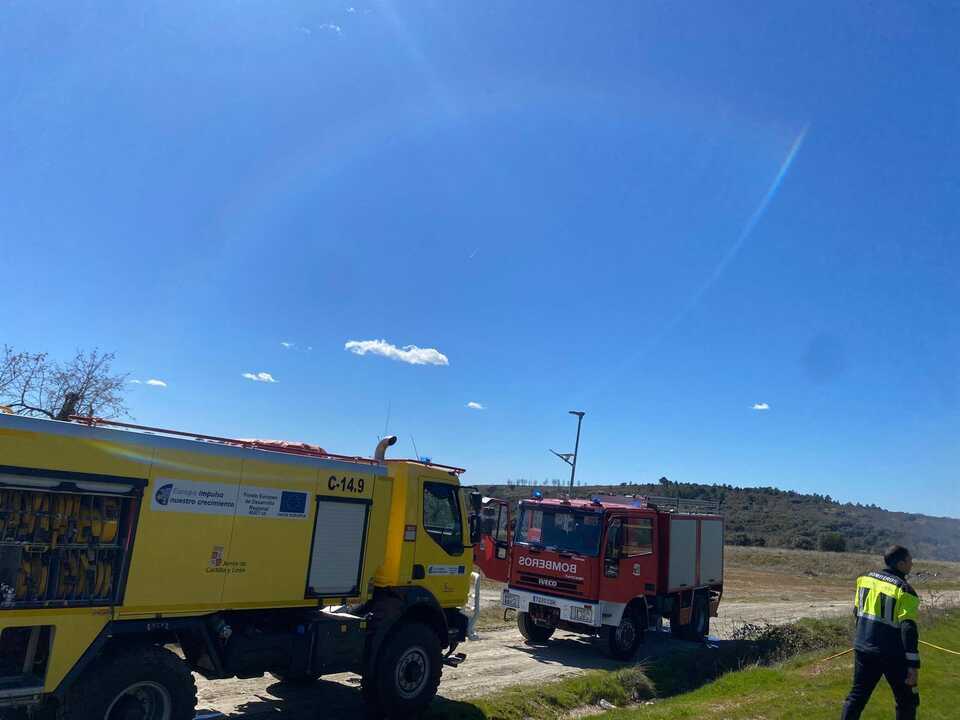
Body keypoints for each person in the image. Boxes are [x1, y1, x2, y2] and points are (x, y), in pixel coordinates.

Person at [841, 545, 920, 720]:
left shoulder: (864, 579)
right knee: (907, 700)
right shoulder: (905, 590)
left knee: (856, 697)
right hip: (893, 655)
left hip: (863, 648)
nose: (912, 565)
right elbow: (908, 629)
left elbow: (857, 612)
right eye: (910, 561)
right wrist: (913, 665)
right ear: (900, 564)